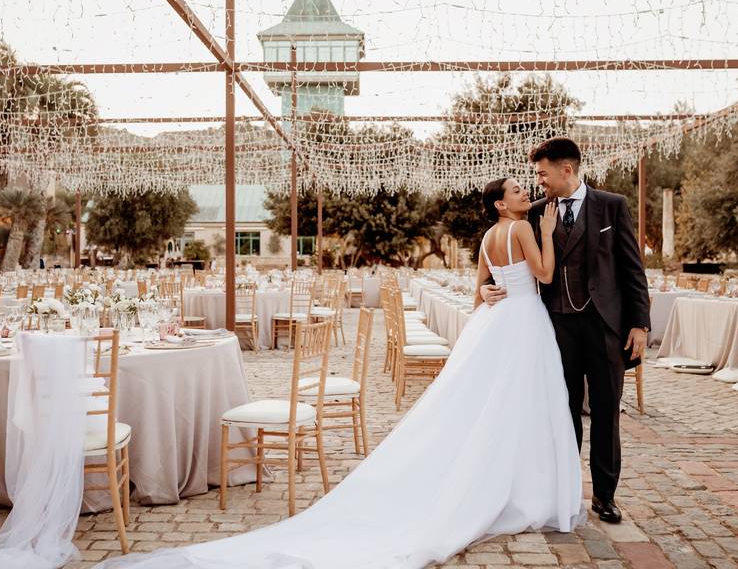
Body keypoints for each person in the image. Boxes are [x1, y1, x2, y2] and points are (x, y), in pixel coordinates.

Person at [97, 179, 584, 569]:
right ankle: (521, 486)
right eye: (518, 191)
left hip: (494, 324)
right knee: (523, 405)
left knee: (492, 404)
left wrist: (492, 295)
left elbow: (479, 291)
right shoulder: (521, 229)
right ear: (501, 205)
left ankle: (503, 479)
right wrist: (543, 231)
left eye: (526, 188)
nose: (526, 193)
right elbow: (543, 275)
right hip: (523, 322)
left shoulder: (485, 238)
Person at [481, 136, 650, 524]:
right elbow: (501, 263)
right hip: (556, 328)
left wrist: (640, 324)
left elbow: (632, 270)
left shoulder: (612, 206)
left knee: (607, 412)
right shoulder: (535, 214)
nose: (538, 181)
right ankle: (565, 491)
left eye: (542, 174)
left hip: (606, 327)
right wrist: (484, 287)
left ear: (566, 170)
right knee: (563, 411)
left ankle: (605, 497)